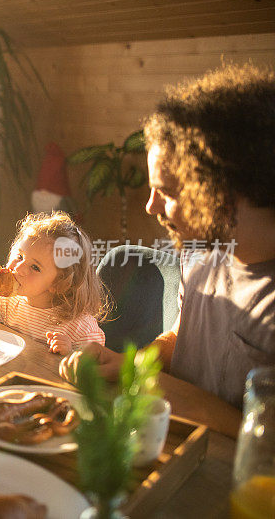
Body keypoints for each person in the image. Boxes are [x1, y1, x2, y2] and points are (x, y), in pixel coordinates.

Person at [60, 63, 275, 414]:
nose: (150, 206)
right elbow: (181, 339)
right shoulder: (199, 251)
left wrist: (168, 397)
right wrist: (130, 365)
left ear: (226, 189)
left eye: (168, 191)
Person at [0, 211, 107, 355]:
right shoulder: (7, 303)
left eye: (35, 267)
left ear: (59, 284)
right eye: (19, 256)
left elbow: (96, 372)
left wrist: (70, 353)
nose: (19, 268)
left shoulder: (80, 328)